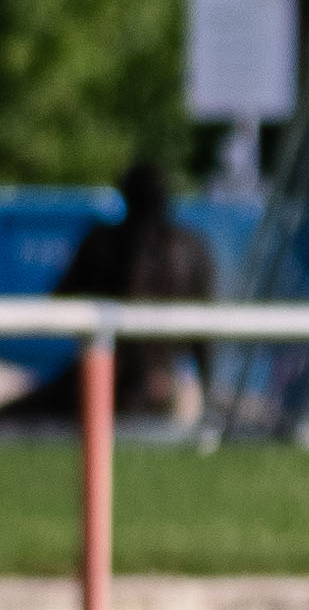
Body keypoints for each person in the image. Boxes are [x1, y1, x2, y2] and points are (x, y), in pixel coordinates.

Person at [9, 155, 218, 428]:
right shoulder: (192, 248)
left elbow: (59, 300)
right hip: (139, 385)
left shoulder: (105, 242)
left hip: (118, 386)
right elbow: (205, 340)